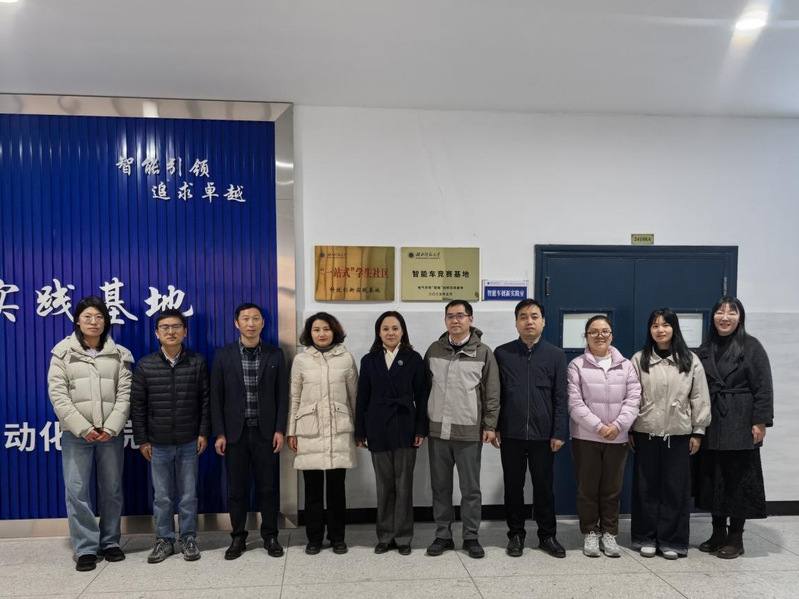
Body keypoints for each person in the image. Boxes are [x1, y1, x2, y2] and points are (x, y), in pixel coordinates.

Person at [47, 295, 134, 572]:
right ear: (77, 321)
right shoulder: (62, 353)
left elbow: (125, 394)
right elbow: (58, 394)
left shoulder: (119, 354)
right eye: (87, 317)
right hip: (76, 435)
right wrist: (83, 428)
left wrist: (110, 427)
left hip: (110, 434)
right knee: (76, 491)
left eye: (99, 317)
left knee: (112, 489)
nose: (93, 322)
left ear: (106, 321)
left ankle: (110, 542)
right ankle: (85, 547)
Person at [694, 296, 774, 559]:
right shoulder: (705, 348)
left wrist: (760, 421)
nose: (725, 317)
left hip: (740, 419)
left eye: (732, 312)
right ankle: (718, 532)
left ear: (740, 317)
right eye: (720, 312)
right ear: (713, 316)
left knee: (738, 479)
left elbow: (763, 387)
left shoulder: (751, 346)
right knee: (715, 478)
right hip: (712, 420)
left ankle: (736, 537)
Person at [131, 309, 210, 563]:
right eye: (165, 327)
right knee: (162, 497)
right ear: (157, 333)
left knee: (188, 495)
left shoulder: (197, 362)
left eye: (176, 327)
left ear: (185, 331)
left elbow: (205, 401)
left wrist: (203, 432)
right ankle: (164, 539)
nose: (171, 331)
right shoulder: (146, 365)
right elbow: (138, 406)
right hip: (158, 442)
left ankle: (188, 538)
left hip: (189, 440)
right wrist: (143, 439)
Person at [630, 308, 710, 559]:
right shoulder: (639, 359)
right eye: (655, 325)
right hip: (645, 432)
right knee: (646, 488)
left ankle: (672, 540)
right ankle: (646, 537)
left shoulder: (690, 360)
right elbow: (631, 397)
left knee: (675, 489)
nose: (660, 330)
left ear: (674, 328)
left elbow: (699, 396)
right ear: (650, 330)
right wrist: (630, 428)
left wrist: (698, 430)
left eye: (665, 325)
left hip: (679, 434)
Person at [210, 303, 288, 560]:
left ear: (263, 323)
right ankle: (238, 537)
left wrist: (280, 429)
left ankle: (271, 536)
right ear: (237, 323)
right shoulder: (224, 355)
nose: (251, 323)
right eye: (245, 319)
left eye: (256, 318)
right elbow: (216, 397)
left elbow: (282, 396)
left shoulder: (275, 354)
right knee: (237, 489)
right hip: (235, 434)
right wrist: (220, 433)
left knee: (268, 488)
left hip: (266, 433)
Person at [424, 299, 500, 559]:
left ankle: (470, 537)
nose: (455, 320)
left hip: (469, 432)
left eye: (460, 315)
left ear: (471, 319)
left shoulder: (483, 352)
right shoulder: (434, 349)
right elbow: (424, 389)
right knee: (440, 487)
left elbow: (492, 393)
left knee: (470, 490)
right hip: (438, 432)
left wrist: (490, 425)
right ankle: (443, 536)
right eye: (450, 316)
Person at [493, 299, 568, 558]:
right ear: (516, 322)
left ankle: (547, 535)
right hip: (511, 433)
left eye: (534, 316)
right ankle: (516, 535)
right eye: (523, 317)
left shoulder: (556, 355)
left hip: (543, 435)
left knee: (544, 487)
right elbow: (495, 395)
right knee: (513, 486)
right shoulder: (502, 353)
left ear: (543, 322)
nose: (529, 321)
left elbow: (561, 397)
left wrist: (558, 431)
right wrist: (495, 426)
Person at [355, 311, 429, 556]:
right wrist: (360, 430)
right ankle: (385, 536)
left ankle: (404, 537)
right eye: (385, 328)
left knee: (404, 485)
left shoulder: (413, 358)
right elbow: (362, 397)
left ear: (403, 331)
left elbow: (423, 396)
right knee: (384, 485)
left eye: (395, 328)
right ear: (378, 332)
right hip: (377, 427)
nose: (390, 333)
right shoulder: (369, 360)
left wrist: (420, 428)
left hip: (406, 425)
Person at [567, 315, 640, 558]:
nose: (600, 336)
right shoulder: (576, 365)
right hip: (586, 438)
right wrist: (599, 427)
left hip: (617, 438)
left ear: (612, 335)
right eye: (594, 332)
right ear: (586, 336)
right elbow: (574, 403)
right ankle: (590, 532)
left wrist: (618, 426)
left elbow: (634, 399)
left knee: (612, 489)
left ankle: (609, 533)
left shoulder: (626, 366)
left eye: (605, 331)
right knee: (587, 489)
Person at [287, 312, 358, 555]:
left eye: (326, 329)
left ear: (334, 331)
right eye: (316, 329)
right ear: (310, 333)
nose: (322, 334)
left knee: (337, 489)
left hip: (339, 430)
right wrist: (291, 431)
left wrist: (360, 430)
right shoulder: (301, 360)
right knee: (313, 490)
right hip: (310, 430)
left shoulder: (346, 358)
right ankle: (314, 538)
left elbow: (355, 397)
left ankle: (338, 538)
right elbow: (294, 397)